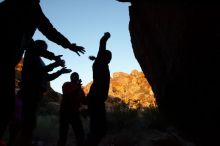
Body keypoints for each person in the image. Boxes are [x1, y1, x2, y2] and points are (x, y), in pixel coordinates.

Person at [0, 0, 85, 139]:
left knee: (11, 113)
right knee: (15, 115)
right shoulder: (28, 5)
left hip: (10, 69)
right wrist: (68, 47)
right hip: (21, 84)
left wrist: (55, 61)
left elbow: (45, 74)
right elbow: (49, 30)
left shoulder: (14, 11)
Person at [15, 40, 72, 146]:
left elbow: (47, 77)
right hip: (29, 93)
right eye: (43, 48)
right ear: (38, 47)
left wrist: (60, 71)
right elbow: (39, 72)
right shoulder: (31, 55)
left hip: (34, 94)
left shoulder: (38, 60)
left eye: (45, 48)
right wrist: (55, 63)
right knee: (27, 123)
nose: (44, 50)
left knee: (28, 123)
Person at [84, 32, 112, 146]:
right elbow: (102, 44)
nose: (110, 59)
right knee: (99, 130)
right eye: (109, 56)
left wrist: (95, 58)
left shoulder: (100, 63)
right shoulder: (100, 62)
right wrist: (106, 37)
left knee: (97, 128)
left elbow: (99, 59)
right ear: (104, 56)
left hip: (96, 100)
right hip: (96, 99)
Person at [57, 72, 87, 146]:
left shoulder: (80, 89)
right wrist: (78, 89)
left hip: (75, 113)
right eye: (74, 76)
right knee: (63, 134)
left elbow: (84, 101)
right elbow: (67, 96)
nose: (75, 78)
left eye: (76, 76)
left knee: (79, 133)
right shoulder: (66, 84)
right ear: (71, 78)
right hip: (65, 112)